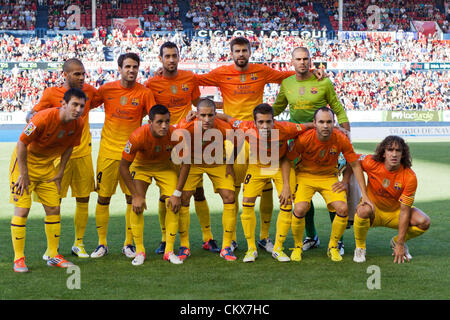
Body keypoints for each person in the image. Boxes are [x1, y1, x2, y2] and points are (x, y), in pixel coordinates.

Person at [195, 37, 325, 253]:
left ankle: (264, 237)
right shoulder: (221, 73)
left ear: (250, 52)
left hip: (261, 135)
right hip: (234, 136)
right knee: (233, 190)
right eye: (237, 51)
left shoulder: (261, 71)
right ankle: (234, 238)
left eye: (244, 50)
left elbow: (289, 75)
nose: (241, 54)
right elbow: (194, 80)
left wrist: (314, 71)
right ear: (231, 53)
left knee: (265, 189)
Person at [272, 47, 354, 255]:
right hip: (297, 142)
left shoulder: (323, 81)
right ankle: (311, 235)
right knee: (302, 193)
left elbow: (336, 106)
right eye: (298, 59)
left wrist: (345, 128)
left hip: (323, 139)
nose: (302, 62)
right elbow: (276, 108)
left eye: (306, 59)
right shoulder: (287, 83)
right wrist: (258, 122)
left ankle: (339, 241)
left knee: (334, 190)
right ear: (291, 61)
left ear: (311, 61)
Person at [216, 103, 312, 262]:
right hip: (257, 166)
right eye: (261, 122)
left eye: (268, 122)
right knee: (247, 202)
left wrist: (336, 127)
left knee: (287, 202)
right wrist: (196, 113)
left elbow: (308, 126)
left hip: (279, 166)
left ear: (274, 120)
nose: (265, 126)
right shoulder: (245, 127)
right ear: (254, 122)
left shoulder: (286, 128)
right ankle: (251, 248)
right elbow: (226, 117)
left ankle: (278, 248)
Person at [145, 42, 217, 255]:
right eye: (167, 56)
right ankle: (164, 237)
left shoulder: (189, 78)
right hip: (165, 142)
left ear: (179, 57)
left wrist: (222, 108)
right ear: (160, 58)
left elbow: (199, 102)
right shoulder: (152, 84)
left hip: (188, 140)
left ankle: (208, 237)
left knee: (198, 191)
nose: (171, 59)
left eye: (174, 55)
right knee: (164, 193)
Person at [26, 58, 99, 259]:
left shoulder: (91, 92)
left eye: (83, 73)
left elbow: (108, 100)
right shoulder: (51, 93)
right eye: (77, 74)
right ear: (65, 75)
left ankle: (79, 243)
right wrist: (30, 116)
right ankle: (52, 248)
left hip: (83, 153)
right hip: (58, 157)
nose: (82, 77)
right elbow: (35, 112)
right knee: (53, 200)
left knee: (84, 197)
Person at [10, 88, 86, 272]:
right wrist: (24, 173)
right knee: (22, 210)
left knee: (54, 208)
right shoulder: (43, 118)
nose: (78, 109)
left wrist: (60, 172)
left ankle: (53, 255)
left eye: (81, 106)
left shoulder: (78, 124)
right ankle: (18, 258)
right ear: (64, 104)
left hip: (47, 168)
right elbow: (22, 142)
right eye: (74, 104)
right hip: (23, 167)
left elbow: (69, 148)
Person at [89, 52, 156, 259]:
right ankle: (102, 243)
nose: (131, 70)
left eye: (135, 66)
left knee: (132, 198)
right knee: (103, 198)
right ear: (119, 68)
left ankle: (129, 244)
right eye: (127, 66)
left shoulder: (145, 93)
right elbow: (85, 104)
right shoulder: (107, 89)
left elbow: (154, 118)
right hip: (107, 153)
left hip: (132, 154)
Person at [285, 107, 371, 262]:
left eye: (329, 122)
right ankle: (297, 247)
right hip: (305, 176)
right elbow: (287, 160)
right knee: (300, 208)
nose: (325, 125)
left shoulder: (341, 138)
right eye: (321, 122)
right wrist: (288, 185)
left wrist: (362, 194)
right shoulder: (305, 138)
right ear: (314, 123)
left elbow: (356, 164)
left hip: (328, 177)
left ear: (334, 123)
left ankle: (333, 246)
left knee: (342, 208)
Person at [119, 105, 190, 265]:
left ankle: (169, 251)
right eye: (159, 122)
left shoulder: (176, 135)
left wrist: (178, 193)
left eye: (167, 121)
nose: (164, 126)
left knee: (173, 203)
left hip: (164, 167)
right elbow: (123, 166)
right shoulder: (137, 136)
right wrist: (135, 196)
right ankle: (139, 251)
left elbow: (186, 163)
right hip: (141, 167)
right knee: (136, 204)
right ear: (150, 121)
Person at [351, 136, 431, 263]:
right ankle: (360, 247)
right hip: (373, 210)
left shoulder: (409, 177)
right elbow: (352, 158)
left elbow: (405, 211)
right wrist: (362, 194)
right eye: (390, 150)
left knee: (424, 222)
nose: (394, 154)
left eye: (398, 150)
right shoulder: (371, 162)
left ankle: (396, 241)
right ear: (383, 153)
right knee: (362, 210)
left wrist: (400, 242)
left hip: (396, 213)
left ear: (403, 154)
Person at [177, 98, 237, 261]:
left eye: (210, 115)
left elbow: (236, 140)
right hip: (193, 164)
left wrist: (230, 163)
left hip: (217, 162)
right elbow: (175, 137)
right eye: (202, 115)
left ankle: (226, 247)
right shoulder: (188, 126)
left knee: (230, 196)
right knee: (184, 198)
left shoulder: (223, 126)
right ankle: (184, 246)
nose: (206, 119)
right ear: (196, 114)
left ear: (215, 114)